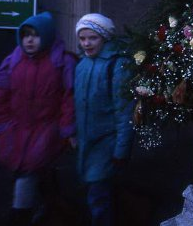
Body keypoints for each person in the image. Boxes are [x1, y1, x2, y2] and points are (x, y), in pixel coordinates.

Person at [0, 11, 77, 226]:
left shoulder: (61, 62)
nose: (29, 39)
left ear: (46, 36)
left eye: (35, 35)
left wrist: (67, 129)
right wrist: (0, 125)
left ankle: (20, 215)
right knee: (36, 168)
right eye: (25, 35)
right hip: (17, 129)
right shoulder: (13, 62)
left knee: (26, 171)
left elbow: (69, 98)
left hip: (47, 130)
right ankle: (55, 205)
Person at [73, 13, 134, 226]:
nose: (86, 43)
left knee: (98, 196)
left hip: (105, 144)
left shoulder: (116, 65)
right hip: (87, 143)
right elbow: (78, 103)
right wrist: (73, 132)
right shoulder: (82, 65)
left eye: (92, 38)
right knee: (98, 193)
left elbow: (124, 111)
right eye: (82, 39)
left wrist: (121, 150)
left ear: (105, 38)